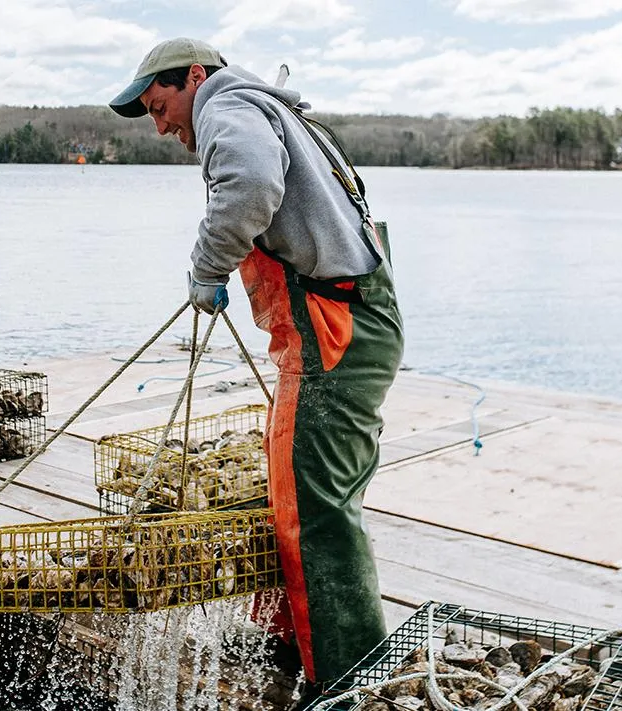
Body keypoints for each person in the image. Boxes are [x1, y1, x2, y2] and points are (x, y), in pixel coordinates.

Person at [110, 37, 404, 704]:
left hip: (335, 333)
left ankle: (346, 681)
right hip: (348, 327)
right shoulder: (264, 108)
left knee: (317, 510)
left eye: (160, 105)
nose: (161, 125)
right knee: (292, 483)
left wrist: (206, 268)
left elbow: (249, 186)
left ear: (193, 77)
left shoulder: (224, 104)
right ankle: (294, 643)